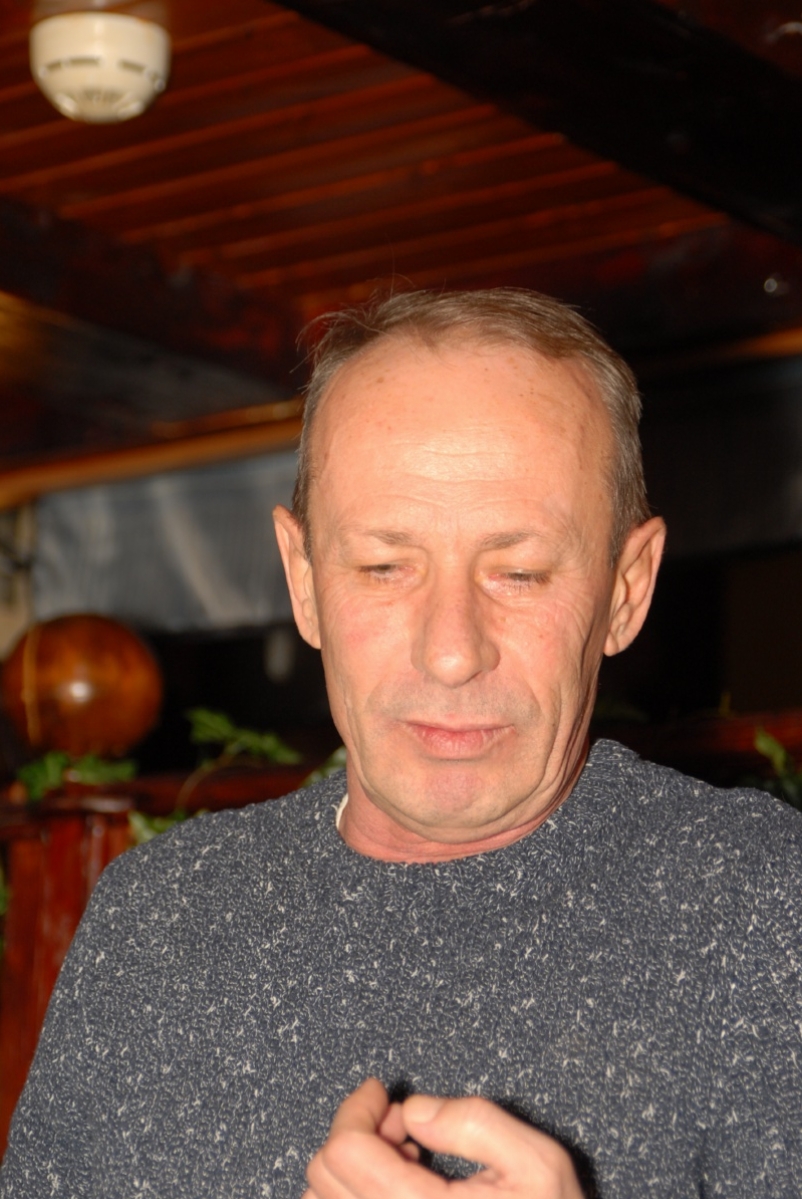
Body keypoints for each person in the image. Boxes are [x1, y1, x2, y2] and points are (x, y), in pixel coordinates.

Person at [1, 289, 800, 1199]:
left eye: (519, 572)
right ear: (304, 580)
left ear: (626, 588)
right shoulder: (158, 923)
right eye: (385, 567)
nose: (451, 650)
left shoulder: (764, 906)